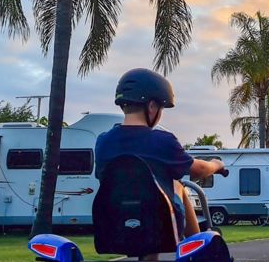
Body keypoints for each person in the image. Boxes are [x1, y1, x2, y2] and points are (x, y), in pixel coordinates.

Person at [95, 68, 226, 241]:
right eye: (161, 108)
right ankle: (197, 248)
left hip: (113, 225)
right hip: (158, 227)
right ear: (151, 106)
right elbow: (199, 170)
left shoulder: (103, 141)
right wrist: (217, 164)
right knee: (177, 185)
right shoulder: (162, 141)